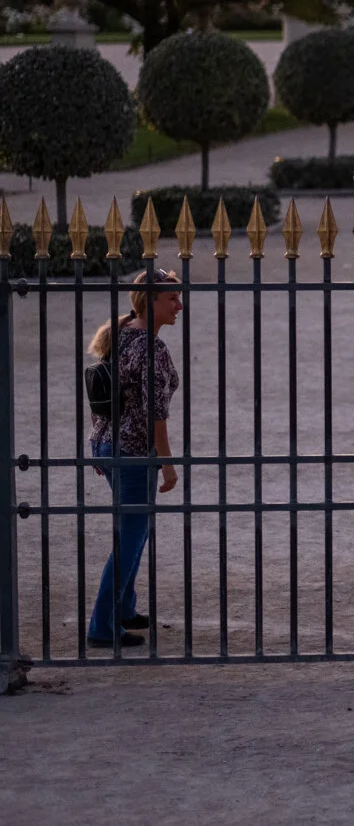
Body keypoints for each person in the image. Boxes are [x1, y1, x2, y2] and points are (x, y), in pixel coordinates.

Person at [86, 269, 183, 649]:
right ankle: (102, 626)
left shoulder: (121, 333)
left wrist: (99, 442)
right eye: (171, 299)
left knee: (133, 529)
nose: (179, 305)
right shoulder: (151, 348)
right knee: (131, 535)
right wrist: (168, 462)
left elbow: (104, 392)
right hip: (133, 452)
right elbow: (154, 413)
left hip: (109, 446)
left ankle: (125, 608)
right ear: (150, 301)